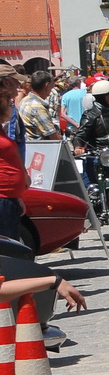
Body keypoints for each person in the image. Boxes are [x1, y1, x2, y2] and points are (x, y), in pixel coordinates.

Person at [0, 63, 25, 243]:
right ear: (5, 83)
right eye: (15, 85)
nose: (17, 92)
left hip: (8, 197)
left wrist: (16, 197)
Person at [19, 70, 58, 140]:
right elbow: (54, 136)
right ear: (47, 85)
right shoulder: (38, 108)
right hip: (38, 145)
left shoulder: (24, 100)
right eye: (52, 86)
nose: (52, 89)